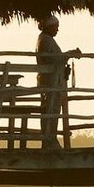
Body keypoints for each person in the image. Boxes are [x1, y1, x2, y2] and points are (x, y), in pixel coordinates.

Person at [34, 20, 70, 149]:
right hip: (51, 82)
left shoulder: (45, 39)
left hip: (51, 81)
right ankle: (49, 141)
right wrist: (68, 54)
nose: (57, 30)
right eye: (56, 27)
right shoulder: (46, 40)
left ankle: (49, 140)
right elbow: (54, 58)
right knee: (51, 111)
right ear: (49, 27)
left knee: (51, 111)